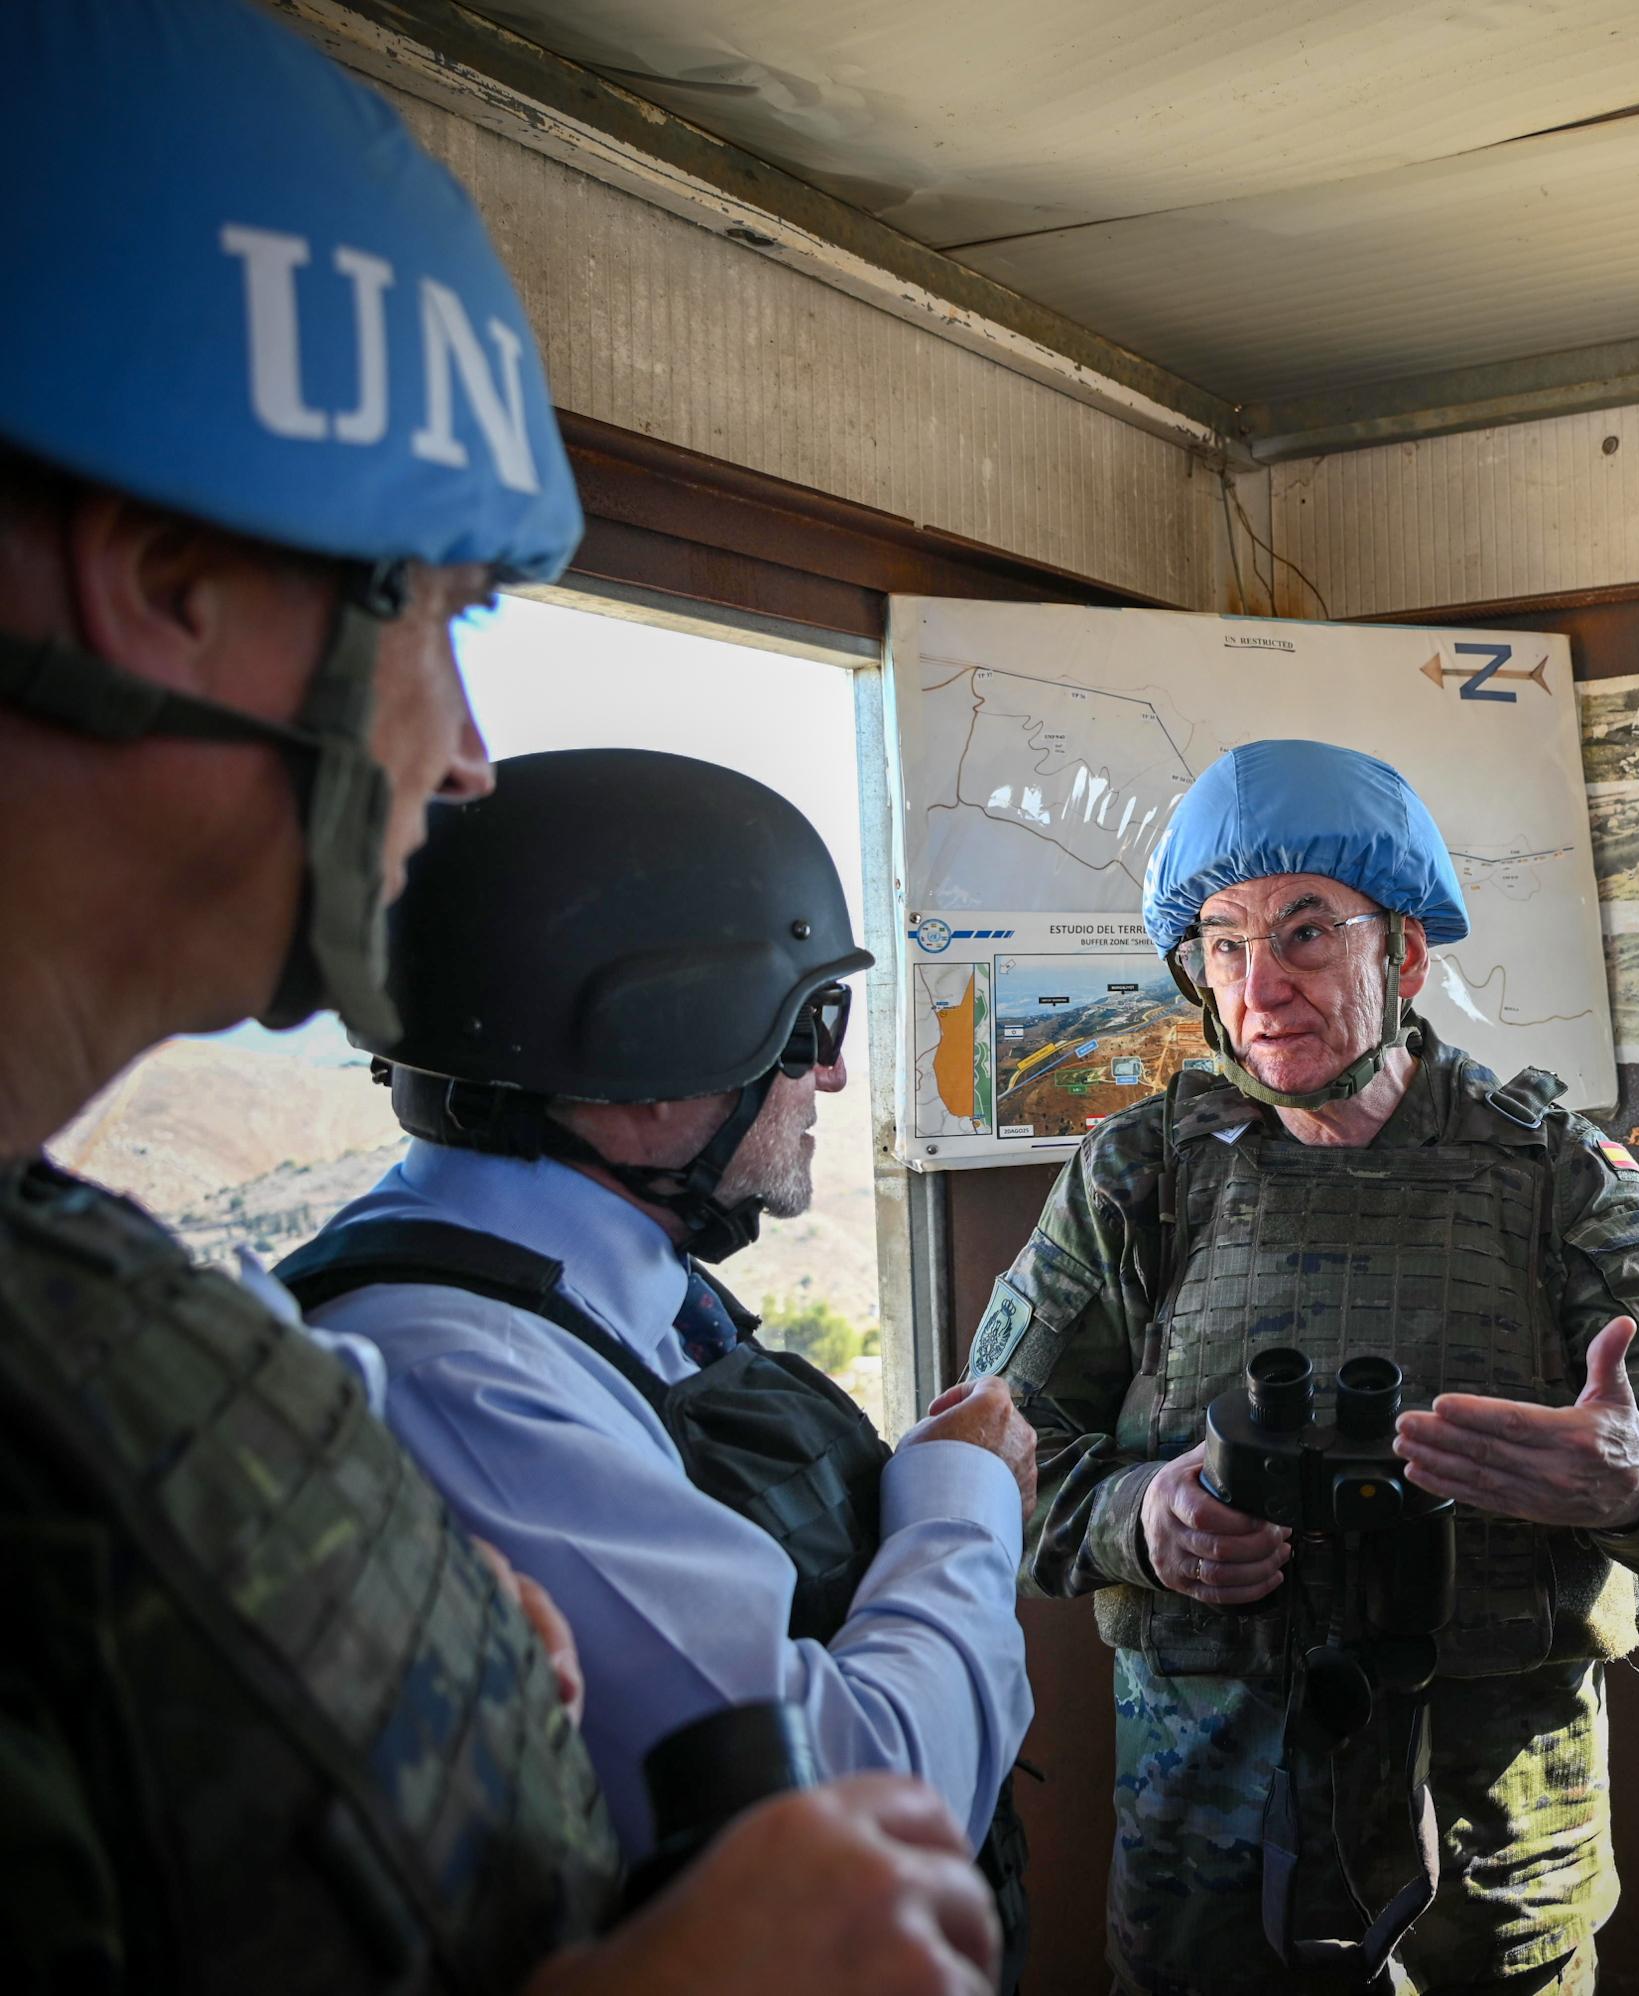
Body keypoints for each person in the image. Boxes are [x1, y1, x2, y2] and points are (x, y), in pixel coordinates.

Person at [0, 2, 998, 1989]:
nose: (461, 756)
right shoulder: (406, 1346)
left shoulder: (102, 1304)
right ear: (166, 579)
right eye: (440, 616)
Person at [969, 738, 1639, 1993]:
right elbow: (988, 1458)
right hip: (1204, 1868)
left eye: (1303, 933)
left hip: (1494, 1872)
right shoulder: (1138, 1177)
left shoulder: (1552, 1174)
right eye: (1223, 944)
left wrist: (1631, 1478)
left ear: (1404, 954)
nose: (1258, 984)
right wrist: (1137, 1515)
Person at [272, 746, 1042, 1985]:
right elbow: (861, 1818)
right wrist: (964, 1504)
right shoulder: (459, 1379)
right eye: (811, 1021)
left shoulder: (610, 1288)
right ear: (655, 1045)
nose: (831, 1072)